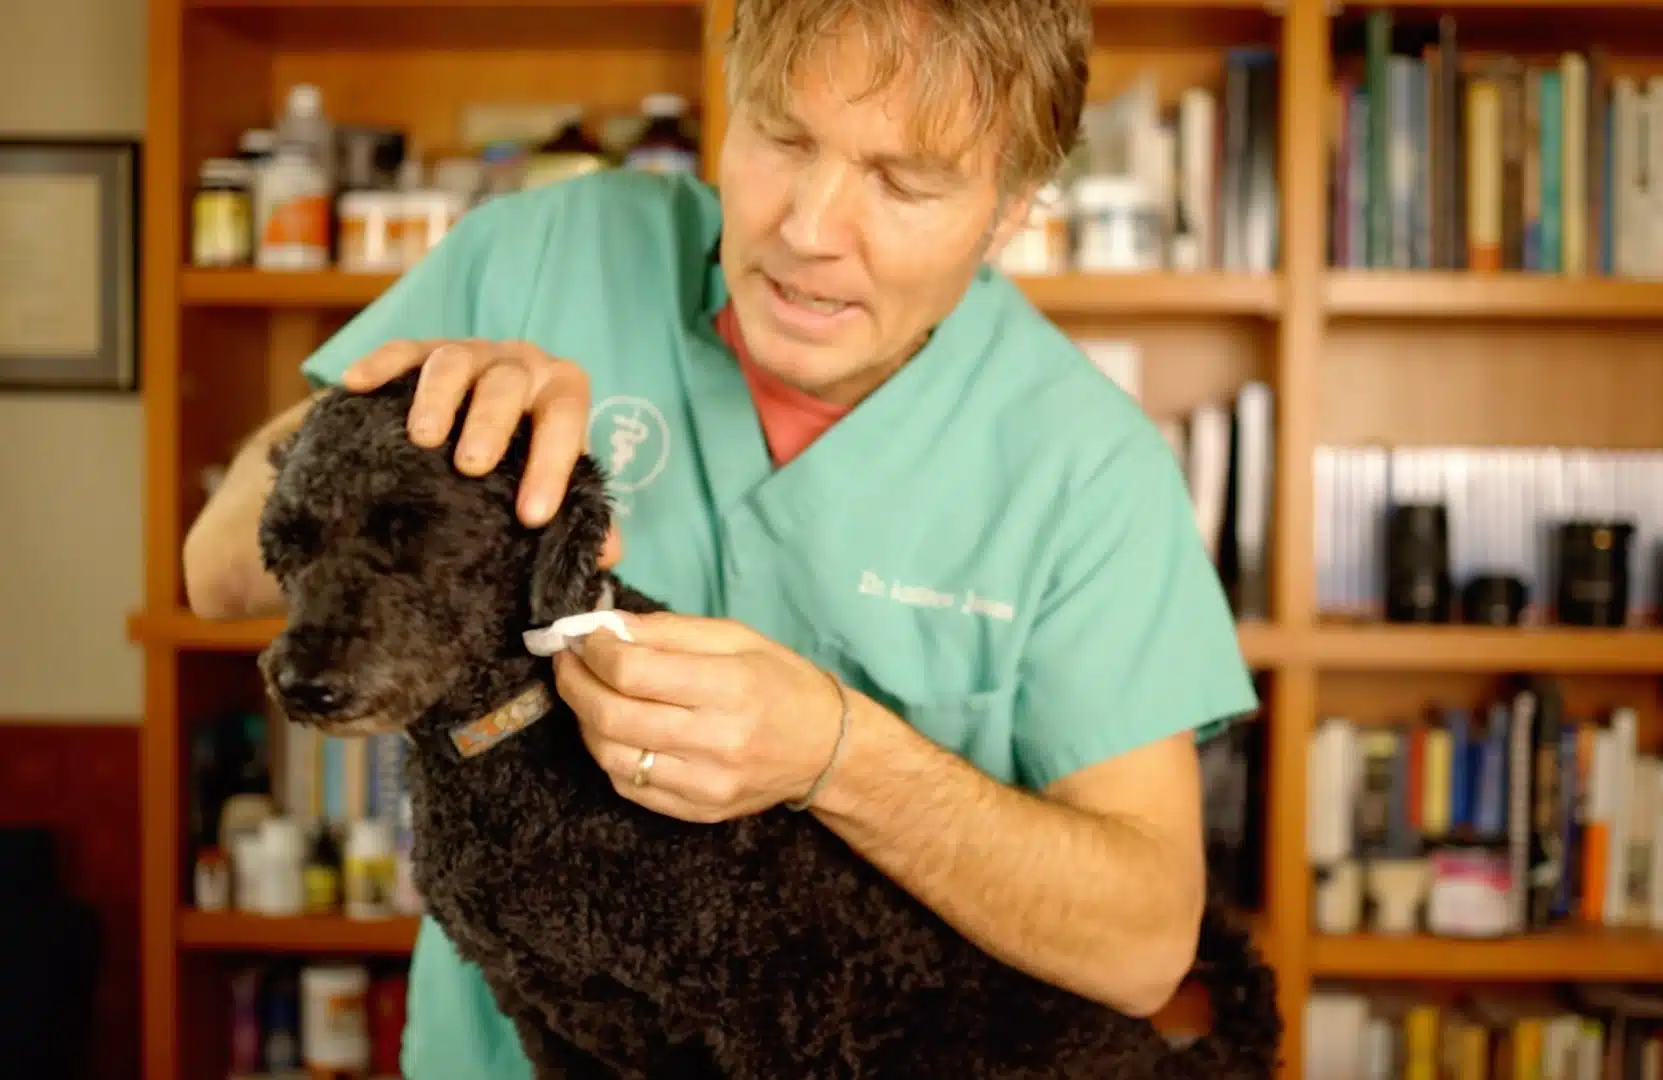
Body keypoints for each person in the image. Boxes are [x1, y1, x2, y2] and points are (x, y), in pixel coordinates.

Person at [180, 0, 1258, 1075]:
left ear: (1012, 207)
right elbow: (218, 571)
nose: (809, 228)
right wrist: (420, 401)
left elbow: (1141, 947)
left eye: (903, 180)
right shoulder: (539, 254)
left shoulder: (1086, 466)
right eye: (782, 138)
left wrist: (843, 757)